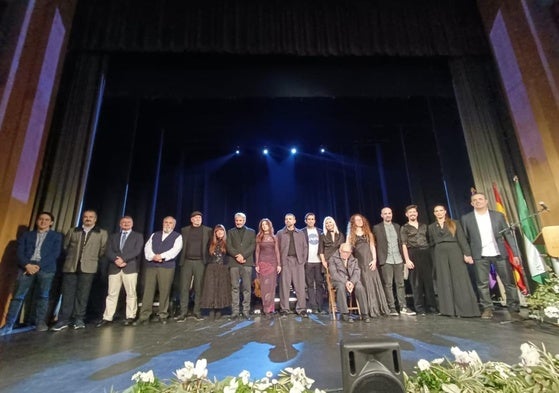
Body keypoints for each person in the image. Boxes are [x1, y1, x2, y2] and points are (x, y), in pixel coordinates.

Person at [461, 192, 521, 320]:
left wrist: (515, 253)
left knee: (509, 283)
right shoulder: (467, 218)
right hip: (480, 255)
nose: (478, 201)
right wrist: (467, 254)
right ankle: (487, 308)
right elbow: (465, 238)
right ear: (472, 203)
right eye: (475, 200)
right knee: (482, 283)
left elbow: (508, 235)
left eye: (480, 199)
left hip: (499, 253)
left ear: (486, 201)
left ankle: (513, 308)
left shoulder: (498, 216)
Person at [0, 212, 63, 335]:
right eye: (41, 219)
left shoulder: (56, 236)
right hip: (26, 268)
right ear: (37, 221)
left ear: (51, 223)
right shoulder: (27, 235)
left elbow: (55, 254)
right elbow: (19, 252)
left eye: (46, 220)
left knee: (43, 297)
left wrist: (38, 266)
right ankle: (8, 325)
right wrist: (27, 265)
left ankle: (39, 323)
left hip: (46, 269)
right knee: (18, 297)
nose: (43, 221)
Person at [51, 210, 108, 331]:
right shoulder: (73, 231)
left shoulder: (101, 233)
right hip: (71, 266)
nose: (88, 219)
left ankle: (79, 319)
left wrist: (90, 258)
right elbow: (66, 246)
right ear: (82, 218)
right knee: (67, 294)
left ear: (95, 219)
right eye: (86, 217)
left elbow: (102, 250)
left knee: (83, 295)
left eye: (91, 217)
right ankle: (63, 320)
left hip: (88, 267)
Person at [428, 205, 480, 318]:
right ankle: (448, 310)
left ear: (445, 211)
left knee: (459, 279)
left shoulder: (454, 223)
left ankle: (465, 310)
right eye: (436, 211)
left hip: (454, 251)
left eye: (441, 210)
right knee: (444, 279)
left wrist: (467, 254)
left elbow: (462, 239)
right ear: (434, 213)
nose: (439, 213)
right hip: (440, 254)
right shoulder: (431, 227)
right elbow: (431, 244)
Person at [96, 216, 144, 327]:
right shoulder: (113, 236)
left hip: (130, 267)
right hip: (114, 268)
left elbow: (137, 250)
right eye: (123, 222)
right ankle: (107, 317)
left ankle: (130, 316)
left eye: (128, 222)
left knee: (131, 293)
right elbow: (108, 251)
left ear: (132, 224)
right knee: (112, 294)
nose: (126, 224)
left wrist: (123, 259)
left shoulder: (138, 236)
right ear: (120, 224)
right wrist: (116, 260)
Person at [135, 216, 183, 325]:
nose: (167, 224)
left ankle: (163, 314)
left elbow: (175, 250)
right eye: (166, 222)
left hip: (166, 266)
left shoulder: (177, 236)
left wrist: (161, 256)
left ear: (174, 225)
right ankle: (144, 315)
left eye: (170, 223)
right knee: (148, 290)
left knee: (164, 290)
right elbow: (147, 248)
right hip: (152, 266)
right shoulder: (154, 235)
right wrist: (153, 256)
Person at [373, 207, 415, 316]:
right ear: (381, 215)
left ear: (392, 214)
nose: (388, 215)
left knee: (400, 284)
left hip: (398, 259)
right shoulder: (377, 228)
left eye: (389, 213)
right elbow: (374, 244)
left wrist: (405, 259)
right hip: (386, 260)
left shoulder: (397, 226)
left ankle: (403, 307)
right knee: (388, 284)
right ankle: (391, 307)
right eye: (385, 213)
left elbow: (402, 243)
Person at [347, 213, 389, 318]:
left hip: (369, 261)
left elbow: (372, 247)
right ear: (353, 222)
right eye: (357, 220)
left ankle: (377, 308)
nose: (359, 221)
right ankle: (366, 309)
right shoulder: (350, 235)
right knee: (363, 283)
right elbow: (347, 250)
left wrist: (374, 260)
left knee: (372, 282)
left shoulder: (368, 233)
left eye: (361, 219)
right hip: (359, 262)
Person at [176, 211, 213, 322]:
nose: (198, 219)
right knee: (184, 288)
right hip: (187, 261)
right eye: (195, 218)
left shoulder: (207, 230)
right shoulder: (185, 230)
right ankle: (183, 312)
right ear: (191, 219)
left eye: (200, 218)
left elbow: (210, 246)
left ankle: (197, 311)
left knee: (198, 288)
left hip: (200, 262)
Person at [400, 205, 437, 315]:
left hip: (425, 252)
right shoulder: (404, 228)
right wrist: (407, 260)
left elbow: (430, 241)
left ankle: (432, 307)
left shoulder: (424, 226)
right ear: (407, 215)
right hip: (413, 254)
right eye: (410, 212)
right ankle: (420, 308)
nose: (412, 214)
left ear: (417, 213)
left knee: (428, 282)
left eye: (414, 212)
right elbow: (403, 245)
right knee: (416, 283)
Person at [276, 213, 308, 317]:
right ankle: (284, 309)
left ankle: (301, 309)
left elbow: (305, 247)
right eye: (286, 219)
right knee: (284, 287)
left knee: (300, 286)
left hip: (298, 261)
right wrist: (279, 263)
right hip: (285, 261)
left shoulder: (300, 233)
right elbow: (277, 249)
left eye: (290, 219)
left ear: (294, 220)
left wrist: (303, 260)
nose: (288, 221)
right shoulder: (280, 233)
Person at [328, 243, 369, 323]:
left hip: (351, 281)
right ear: (340, 251)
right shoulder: (333, 259)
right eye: (344, 252)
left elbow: (357, 272)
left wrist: (352, 282)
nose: (346, 254)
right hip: (339, 280)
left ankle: (365, 313)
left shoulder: (354, 259)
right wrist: (346, 282)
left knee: (360, 287)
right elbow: (334, 274)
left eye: (348, 252)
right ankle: (345, 313)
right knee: (341, 286)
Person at [226, 212, 256, 320]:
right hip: (234, 263)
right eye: (237, 220)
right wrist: (237, 256)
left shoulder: (251, 232)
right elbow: (228, 246)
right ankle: (235, 311)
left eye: (240, 220)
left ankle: (246, 311)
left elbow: (252, 246)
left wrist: (243, 256)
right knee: (235, 287)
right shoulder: (230, 232)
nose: (238, 222)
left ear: (244, 221)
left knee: (247, 288)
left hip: (247, 262)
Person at [199, 224, 232, 320]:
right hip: (211, 267)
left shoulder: (227, 243)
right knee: (211, 289)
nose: (220, 232)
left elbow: (230, 255)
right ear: (215, 233)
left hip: (222, 268)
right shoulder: (211, 243)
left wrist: (227, 265)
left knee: (221, 289)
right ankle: (211, 310)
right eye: (218, 231)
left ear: (224, 232)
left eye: (221, 231)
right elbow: (205, 254)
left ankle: (219, 310)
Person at [255, 218, 281, 317]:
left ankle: (271, 308)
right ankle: (266, 308)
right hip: (262, 264)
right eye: (263, 225)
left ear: (269, 225)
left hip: (273, 264)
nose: (264, 226)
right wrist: (257, 264)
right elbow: (257, 251)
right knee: (264, 287)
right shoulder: (259, 237)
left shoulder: (274, 237)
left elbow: (277, 251)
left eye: (266, 224)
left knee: (272, 286)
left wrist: (279, 264)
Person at [319, 216, 345, 313]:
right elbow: (321, 250)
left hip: (339, 262)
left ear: (334, 223)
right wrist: (323, 261)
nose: (329, 224)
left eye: (330, 222)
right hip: (328, 261)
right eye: (327, 223)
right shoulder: (322, 235)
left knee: (341, 281)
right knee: (331, 283)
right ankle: (334, 305)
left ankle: (342, 304)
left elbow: (343, 249)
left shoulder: (340, 235)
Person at [302, 213, 324, 314]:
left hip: (319, 261)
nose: (311, 221)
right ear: (305, 221)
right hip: (308, 261)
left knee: (319, 284)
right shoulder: (302, 232)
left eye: (312, 219)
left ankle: (320, 306)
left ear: (315, 221)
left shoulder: (320, 232)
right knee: (310, 284)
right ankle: (313, 306)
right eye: (309, 219)